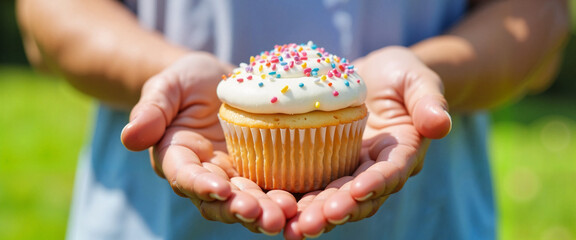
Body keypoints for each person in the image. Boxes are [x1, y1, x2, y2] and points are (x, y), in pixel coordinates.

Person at [17, 0, 569, 239]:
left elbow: (541, 18)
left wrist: (433, 72)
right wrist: (159, 73)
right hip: (150, 223)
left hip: (426, 223)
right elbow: (46, 14)